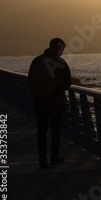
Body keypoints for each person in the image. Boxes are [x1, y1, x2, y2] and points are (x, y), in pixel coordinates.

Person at [28, 38, 72, 168]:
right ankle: (55, 156)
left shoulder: (37, 60)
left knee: (41, 130)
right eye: (62, 49)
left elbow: (30, 80)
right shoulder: (60, 62)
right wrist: (56, 91)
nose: (63, 52)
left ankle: (42, 158)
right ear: (58, 48)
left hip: (40, 101)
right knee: (56, 129)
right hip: (55, 101)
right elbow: (68, 82)